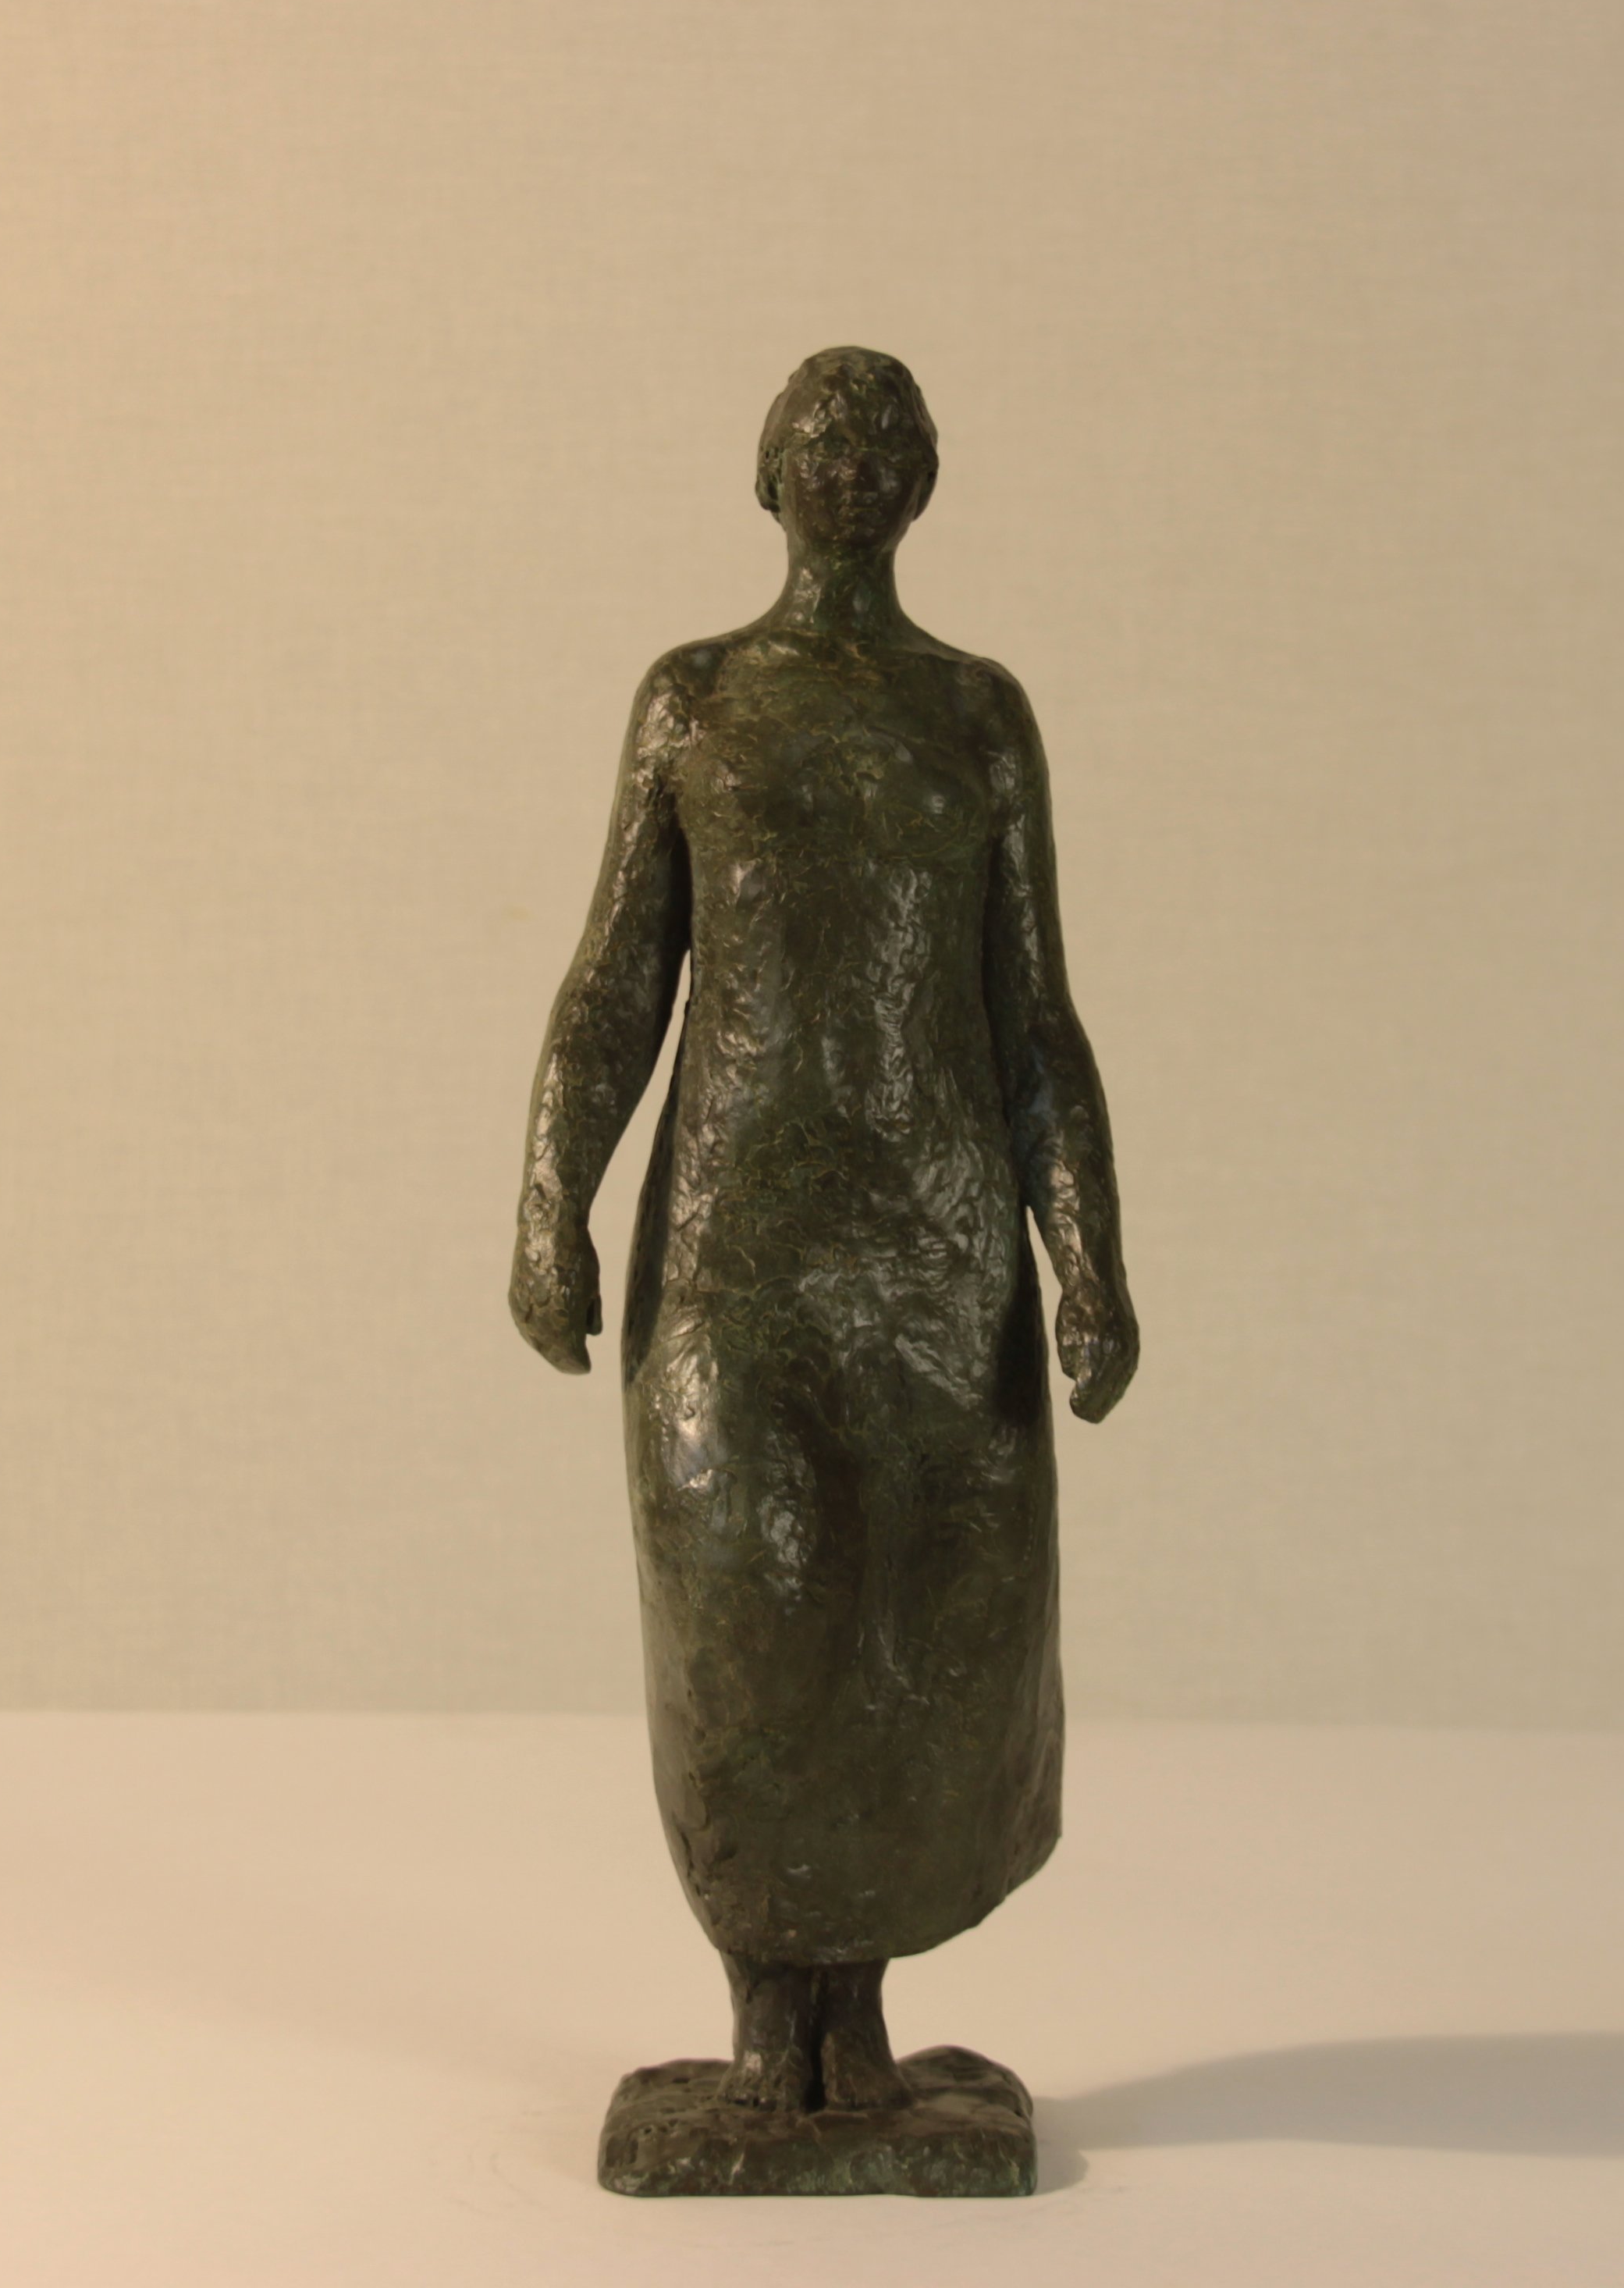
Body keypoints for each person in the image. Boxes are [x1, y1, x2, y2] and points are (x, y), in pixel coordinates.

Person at [513, 348, 1138, 2115]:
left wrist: (1087, 1260)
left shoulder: (977, 715)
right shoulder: (698, 698)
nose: (852, 460)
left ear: (925, 484)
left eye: (886, 439)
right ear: (766, 471)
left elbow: (1037, 1020)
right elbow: (616, 981)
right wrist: (551, 1200)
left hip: (940, 1259)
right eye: (822, 434)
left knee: (919, 1634)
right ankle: (760, 2016)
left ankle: (843, 2033)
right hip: (736, 1256)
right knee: (746, 1620)